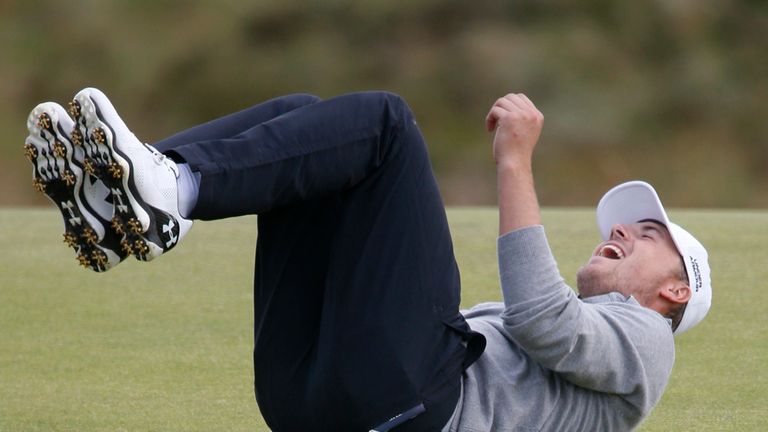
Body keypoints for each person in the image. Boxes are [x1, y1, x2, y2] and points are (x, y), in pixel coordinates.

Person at [25, 88, 712, 431]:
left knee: (386, 125)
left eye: (647, 234)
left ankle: (167, 190)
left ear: (675, 293)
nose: (622, 231)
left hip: (406, 406)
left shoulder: (649, 345)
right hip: (317, 400)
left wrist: (514, 162)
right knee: (302, 123)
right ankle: (132, 201)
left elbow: (541, 315)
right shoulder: (593, 355)